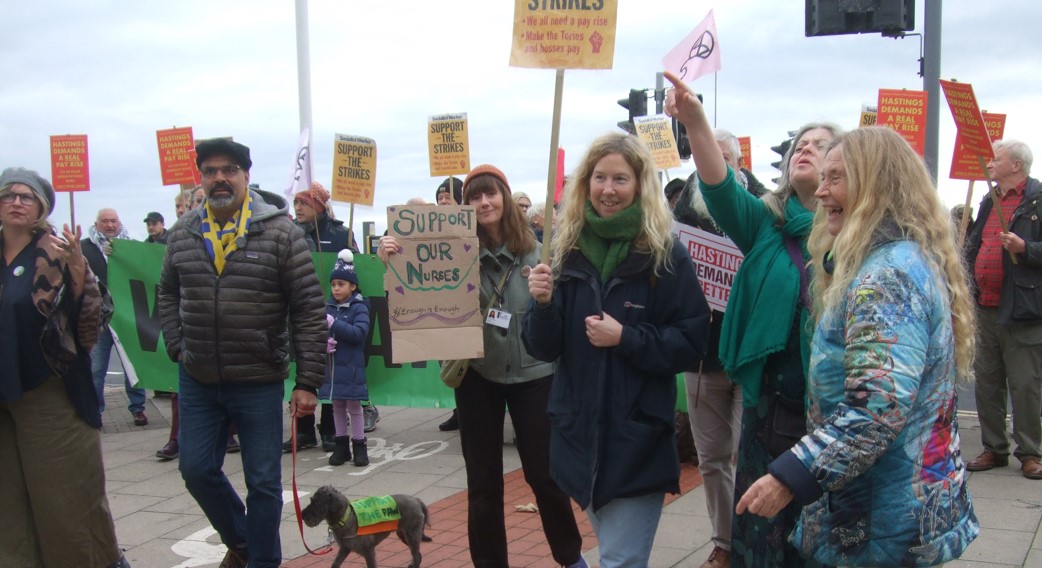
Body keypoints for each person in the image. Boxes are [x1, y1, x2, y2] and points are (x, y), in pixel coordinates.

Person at [736, 126, 980, 565]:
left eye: (836, 178)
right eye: (823, 177)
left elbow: (876, 409)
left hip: (879, 517)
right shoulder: (895, 259)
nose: (823, 191)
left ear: (875, 185)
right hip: (889, 504)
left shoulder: (887, 276)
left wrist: (790, 476)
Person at [666, 70, 839, 567]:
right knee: (764, 532)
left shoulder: (855, 233)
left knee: (820, 532)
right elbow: (718, 188)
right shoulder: (767, 222)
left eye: (820, 144)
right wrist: (696, 119)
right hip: (772, 409)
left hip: (831, 410)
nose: (804, 149)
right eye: (799, 144)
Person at [379, 164, 586, 568]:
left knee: (545, 478)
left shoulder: (540, 250)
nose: (484, 202)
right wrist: (394, 256)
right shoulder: (455, 251)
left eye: (491, 193)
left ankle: (571, 557)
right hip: (477, 378)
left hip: (535, 377)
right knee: (483, 486)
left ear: (506, 198)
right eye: (474, 196)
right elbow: (415, 288)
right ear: (465, 206)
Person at [523, 134, 711, 567]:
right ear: (585, 183)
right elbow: (542, 346)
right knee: (615, 555)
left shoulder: (666, 255)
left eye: (621, 179)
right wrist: (543, 304)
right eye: (600, 177)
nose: (609, 189)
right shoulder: (565, 250)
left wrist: (627, 338)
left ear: (640, 184)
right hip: (579, 437)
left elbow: (692, 341)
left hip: (636, 443)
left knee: (620, 562)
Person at [158, 138, 326, 568]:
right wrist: (178, 344)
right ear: (201, 178)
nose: (219, 178)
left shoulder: (281, 233)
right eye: (210, 171)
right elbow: (167, 292)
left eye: (229, 170)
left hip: (257, 379)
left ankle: (262, 562)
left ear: (246, 176)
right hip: (198, 378)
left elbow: (308, 308)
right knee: (195, 469)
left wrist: (307, 382)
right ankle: (244, 542)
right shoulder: (181, 233)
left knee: (264, 484)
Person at [0, 167, 131, 567]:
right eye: (9, 195)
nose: (17, 202)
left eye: (27, 196)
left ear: (41, 206)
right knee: (9, 506)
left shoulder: (55, 251)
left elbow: (89, 321)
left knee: (66, 502)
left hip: (49, 391)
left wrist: (77, 270)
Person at [670, 127, 769, 568]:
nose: (713, 165)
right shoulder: (680, 212)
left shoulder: (765, 206)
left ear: (737, 161)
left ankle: (755, 537)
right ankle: (724, 542)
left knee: (751, 454)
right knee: (712, 459)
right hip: (703, 354)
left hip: (752, 355)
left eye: (722, 156)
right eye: (706, 156)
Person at [964, 139, 1042, 480]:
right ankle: (994, 448)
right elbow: (978, 242)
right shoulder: (988, 199)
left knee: (1025, 384)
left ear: (1016, 165)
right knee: (987, 382)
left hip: (1022, 307)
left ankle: (1031, 453)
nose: (989, 164)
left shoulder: (1037, 200)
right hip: (985, 306)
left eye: (996, 159)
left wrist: (1026, 248)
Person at [82, 207, 148, 426]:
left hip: (127, 318)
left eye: (113, 221)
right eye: (105, 221)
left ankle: (138, 408)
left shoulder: (131, 246)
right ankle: (95, 411)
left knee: (132, 367)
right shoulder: (85, 248)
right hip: (100, 320)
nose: (110, 225)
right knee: (96, 369)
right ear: (97, 223)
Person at [322, 250, 372, 467]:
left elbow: (358, 333)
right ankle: (341, 446)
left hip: (351, 367)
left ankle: (359, 445)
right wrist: (322, 342)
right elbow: (317, 331)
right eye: (333, 284)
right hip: (333, 368)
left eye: (341, 284)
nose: (336, 289)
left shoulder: (359, 307)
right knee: (336, 406)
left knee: (354, 407)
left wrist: (334, 325)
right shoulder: (328, 306)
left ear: (352, 286)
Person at [434, 176, 465, 432]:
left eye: (448, 197)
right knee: (447, 364)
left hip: (463, 307)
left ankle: (467, 410)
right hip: (438, 307)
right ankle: (459, 409)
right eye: (440, 198)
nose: (443, 202)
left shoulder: (470, 229)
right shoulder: (427, 231)